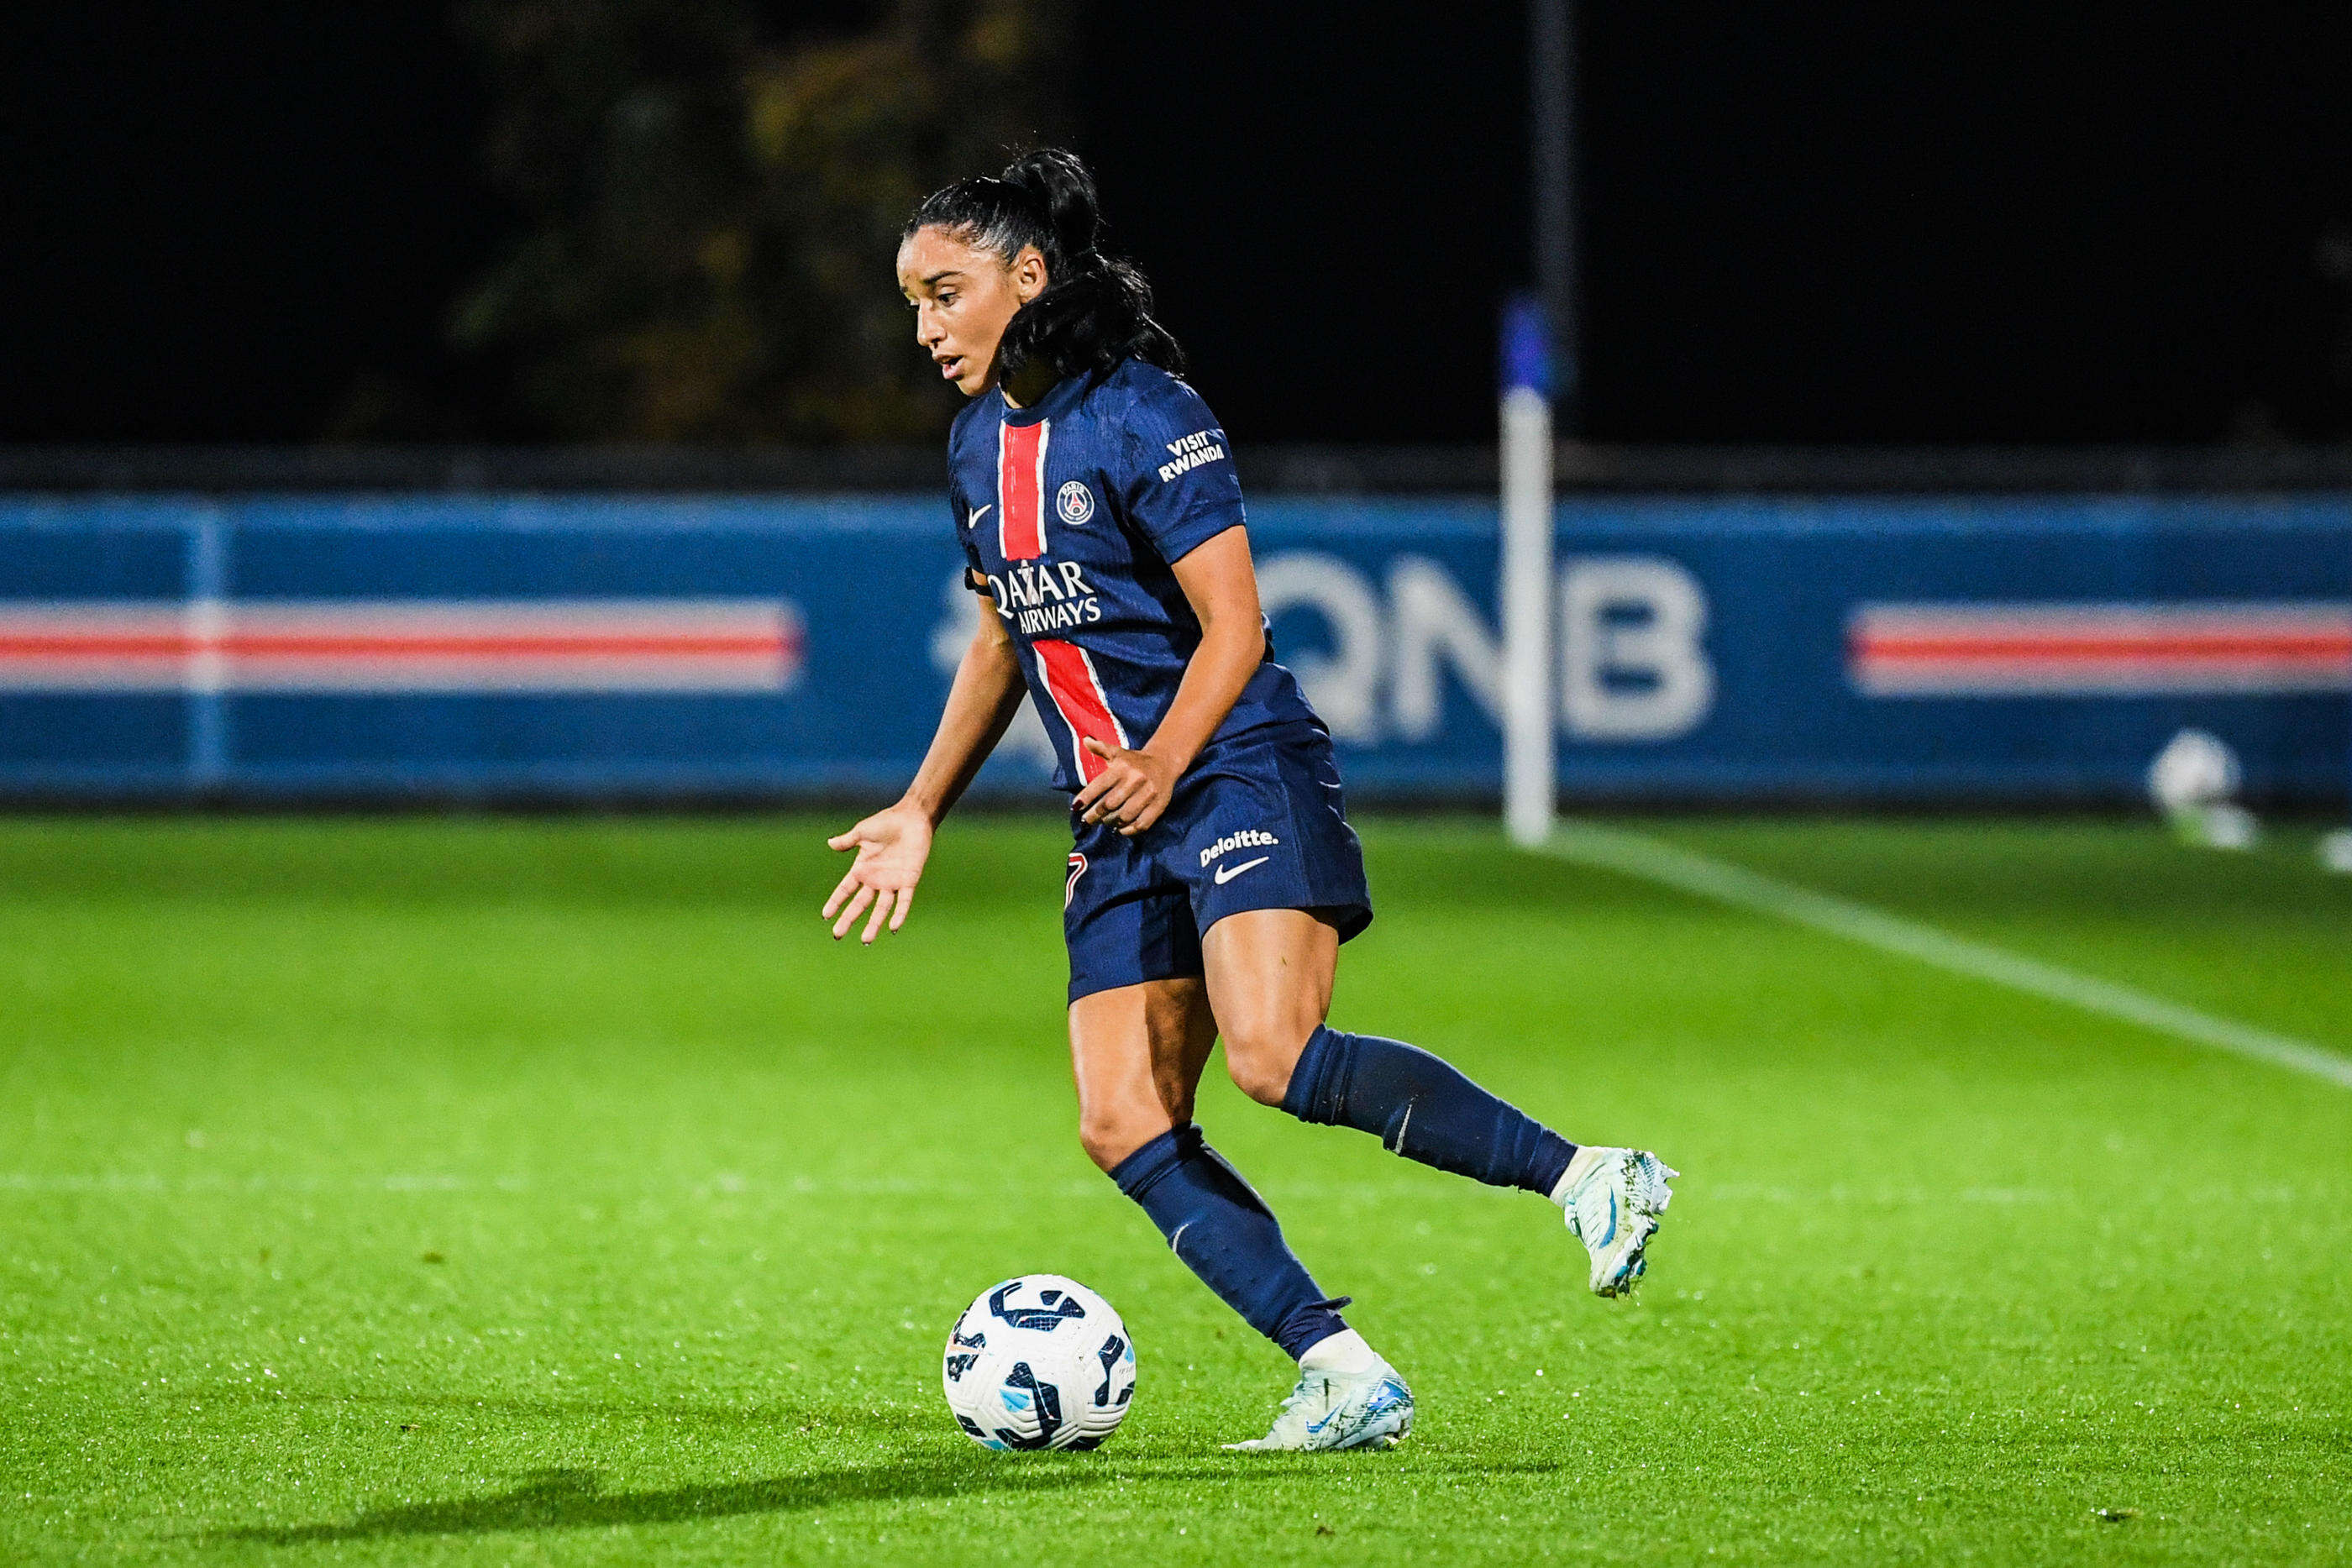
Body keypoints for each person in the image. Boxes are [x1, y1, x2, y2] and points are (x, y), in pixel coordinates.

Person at [823, 148, 1675, 1452]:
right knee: (1123, 1122)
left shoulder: (1146, 413)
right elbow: (1003, 640)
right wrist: (921, 805)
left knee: (1274, 1058)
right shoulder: (974, 444)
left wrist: (1165, 757)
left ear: (1028, 275)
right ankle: (1341, 1371)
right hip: (1114, 814)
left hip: (1230, 766)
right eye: (914, 304)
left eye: (945, 293)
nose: (927, 327)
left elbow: (1235, 626)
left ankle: (1589, 1176)